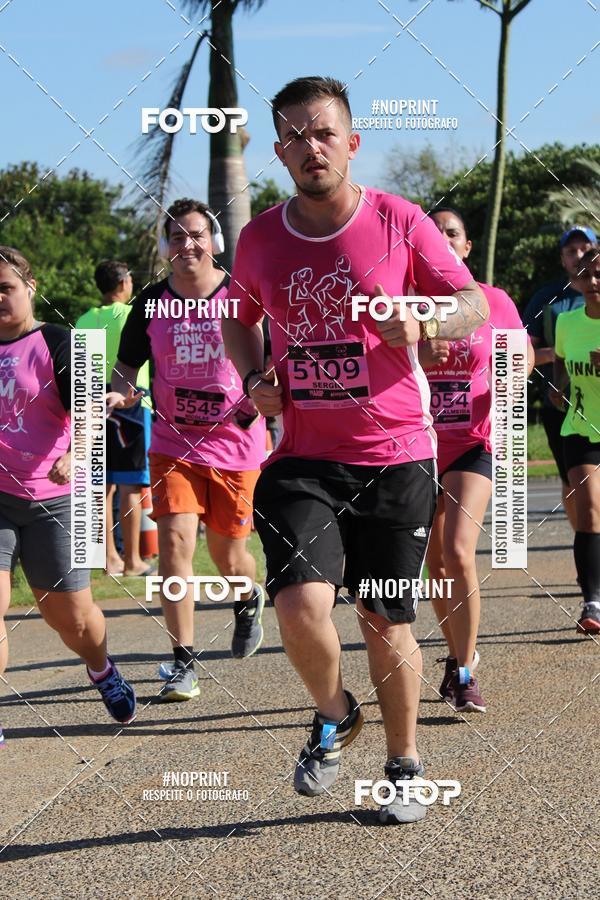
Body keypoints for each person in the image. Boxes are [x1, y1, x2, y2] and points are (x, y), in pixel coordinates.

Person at [222, 76, 489, 824]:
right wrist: (253, 377)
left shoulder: (400, 220)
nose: (310, 148)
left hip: (396, 454)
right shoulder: (260, 237)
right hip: (303, 457)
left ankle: (404, 765)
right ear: (279, 152)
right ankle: (335, 712)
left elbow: (472, 303)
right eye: (294, 137)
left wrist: (426, 320)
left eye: (323, 133)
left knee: (384, 618)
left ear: (351, 143)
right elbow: (237, 317)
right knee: (300, 603)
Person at [107, 199, 266, 703]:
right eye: (176, 236)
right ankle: (183, 662)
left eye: (196, 234)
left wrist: (262, 403)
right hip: (173, 443)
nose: (187, 244)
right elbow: (125, 369)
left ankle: (247, 597)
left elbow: (269, 363)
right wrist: (117, 394)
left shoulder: (240, 295)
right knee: (175, 543)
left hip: (236, 443)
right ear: (165, 246)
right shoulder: (151, 303)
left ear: (213, 241)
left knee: (227, 554)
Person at [0, 246, 136, 747]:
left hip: (56, 499)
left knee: (72, 620)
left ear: (30, 288)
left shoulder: (61, 342)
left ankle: (101, 668)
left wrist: (76, 453)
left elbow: (91, 411)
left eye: (5, 288)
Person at [419, 208, 534, 714]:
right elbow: (380, 363)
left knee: (458, 550)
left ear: (466, 247)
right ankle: (455, 654)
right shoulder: (409, 304)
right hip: (418, 444)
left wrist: (512, 374)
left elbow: (522, 354)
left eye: (453, 233)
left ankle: (466, 674)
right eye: (434, 233)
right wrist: (419, 357)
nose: (443, 239)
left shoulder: (493, 300)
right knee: (435, 563)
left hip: (474, 440)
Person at [76, 260, 153, 577]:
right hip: (130, 399)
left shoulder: (83, 319)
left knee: (100, 484)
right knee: (130, 483)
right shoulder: (131, 314)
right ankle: (133, 560)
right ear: (123, 283)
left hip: (91, 398)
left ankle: (109, 559)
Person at [522, 226, 596, 528]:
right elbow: (522, 352)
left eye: (585, 249)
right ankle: (584, 538)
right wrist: (560, 355)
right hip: (562, 406)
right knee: (572, 480)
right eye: (571, 251)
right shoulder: (547, 299)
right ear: (562, 259)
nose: (578, 256)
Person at [553, 246, 600, 634]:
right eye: (586, 274)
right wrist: (558, 386)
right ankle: (592, 602)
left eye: (599, 274)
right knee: (589, 511)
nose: (593, 281)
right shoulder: (567, 322)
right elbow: (560, 360)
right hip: (580, 429)